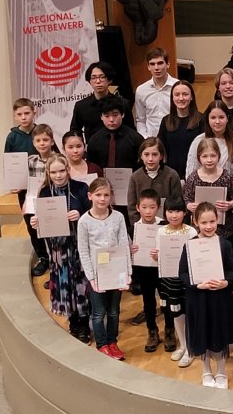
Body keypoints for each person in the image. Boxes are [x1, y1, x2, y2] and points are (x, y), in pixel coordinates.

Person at [30, 154, 91, 343]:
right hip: (58, 248)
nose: (58, 175)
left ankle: (84, 323)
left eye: (61, 171)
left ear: (68, 170)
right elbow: (44, 220)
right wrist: (37, 222)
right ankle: (73, 322)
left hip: (79, 245)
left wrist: (80, 213)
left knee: (81, 284)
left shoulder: (81, 188)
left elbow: (93, 212)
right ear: (48, 172)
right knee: (65, 285)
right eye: (54, 172)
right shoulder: (45, 193)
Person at [178, 202, 233, 389]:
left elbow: (231, 272)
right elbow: (183, 273)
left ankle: (221, 371)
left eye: (212, 221)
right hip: (199, 299)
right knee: (202, 333)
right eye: (204, 222)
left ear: (218, 220)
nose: (209, 226)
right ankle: (206, 371)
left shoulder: (225, 244)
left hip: (220, 298)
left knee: (219, 333)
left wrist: (225, 283)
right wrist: (198, 284)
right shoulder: (189, 245)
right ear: (195, 221)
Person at [77, 177, 132, 360]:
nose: (102, 199)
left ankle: (113, 342)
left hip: (116, 273)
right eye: (98, 195)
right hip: (97, 275)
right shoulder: (84, 221)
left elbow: (124, 244)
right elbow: (83, 250)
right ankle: (102, 344)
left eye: (106, 195)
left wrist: (127, 274)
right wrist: (91, 278)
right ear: (90, 196)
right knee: (99, 312)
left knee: (114, 311)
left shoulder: (118, 217)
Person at [155, 197, 198, 368]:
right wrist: (155, 255)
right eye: (170, 211)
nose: (174, 215)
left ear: (185, 213)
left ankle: (191, 348)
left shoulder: (191, 232)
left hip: (186, 280)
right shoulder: (161, 232)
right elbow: (159, 254)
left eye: (178, 211)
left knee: (188, 312)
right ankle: (183, 345)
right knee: (175, 313)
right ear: (165, 212)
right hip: (168, 278)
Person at [128, 188, 169, 352]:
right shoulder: (133, 229)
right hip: (144, 271)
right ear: (138, 207)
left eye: (152, 207)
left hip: (162, 270)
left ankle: (169, 330)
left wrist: (162, 252)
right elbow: (127, 254)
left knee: (166, 300)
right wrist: (131, 251)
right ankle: (152, 331)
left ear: (158, 207)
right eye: (144, 207)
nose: (148, 211)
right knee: (148, 301)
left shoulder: (164, 226)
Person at [5, 99, 43, 276]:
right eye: (19, 114)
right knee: (31, 223)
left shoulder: (41, 131)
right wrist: (13, 183)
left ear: (34, 112)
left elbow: (55, 154)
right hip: (25, 189)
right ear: (15, 116)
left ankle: (53, 255)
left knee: (47, 220)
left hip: (44, 186)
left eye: (27, 113)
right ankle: (43, 258)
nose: (23, 117)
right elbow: (9, 161)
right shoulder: (12, 137)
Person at [25, 124, 60, 281]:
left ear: (52, 141)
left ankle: (56, 265)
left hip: (52, 202)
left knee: (52, 235)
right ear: (33, 143)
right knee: (33, 230)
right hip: (33, 202)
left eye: (46, 139)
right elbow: (23, 182)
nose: (42, 143)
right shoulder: (30, 161)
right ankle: (43, 258)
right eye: (38, 140)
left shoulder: (58, 160)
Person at [183, 139, 233, 240]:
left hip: (225, 231)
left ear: (219, 156)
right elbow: (186, 200)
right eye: (205, 156)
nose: (209, 160)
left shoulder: (227, 177)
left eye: (213, 156)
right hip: (201, 230)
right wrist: (189, 205)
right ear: (199, 158)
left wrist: (230, 204)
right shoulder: (193, 178)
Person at [185, 101, 233, 184]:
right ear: (208, 119)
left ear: (227, 118)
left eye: (221, 117)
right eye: (213, 118)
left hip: (230, 194)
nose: (217, 122)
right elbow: (190, 173)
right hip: (203, 193)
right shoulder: (198, 141)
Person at [70, 62, 133, 141]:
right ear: (89, 81)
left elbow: (131, 129)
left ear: (109, 80)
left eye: (102, 77)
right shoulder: (81, 106)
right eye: (94, 78)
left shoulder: (123, 103)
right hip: (93, 149)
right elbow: (75, 130)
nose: (98, 81)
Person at [127, 138, 182, 224]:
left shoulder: (172, 175)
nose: (150, 159)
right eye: (146, 154)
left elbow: (177, 203)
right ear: (141, 156)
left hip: (167, 226)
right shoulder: (135, 177)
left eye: (155, 154)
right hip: (142, 226)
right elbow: (132, 207)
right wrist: (138, 226)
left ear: (161, 156)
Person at [86, 95, 145, 173]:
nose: (111, 120)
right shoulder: (94, 140)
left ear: (122, 114)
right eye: (107, 116)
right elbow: (92, 166)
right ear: (101, 117)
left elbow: (142, 165)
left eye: (115, 115)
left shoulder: (136, 139)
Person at [158, 80, 204, 179]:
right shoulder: (166, 121)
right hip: (171, 176)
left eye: (185, 94)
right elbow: (161, 149)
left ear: (191, 97)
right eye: (177, 95)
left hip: (195, 175)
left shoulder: (202, 119)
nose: (181, 98)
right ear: (172, 98)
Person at [134, 47, 179, 138]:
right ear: (148, 67)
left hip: (173, 136)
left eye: (160, 63)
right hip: (151, 139)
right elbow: (140, 120)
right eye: (152, 64)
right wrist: (145, 138)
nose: (156, 68)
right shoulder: (141, 90)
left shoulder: (178, 87)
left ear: (168, 64)